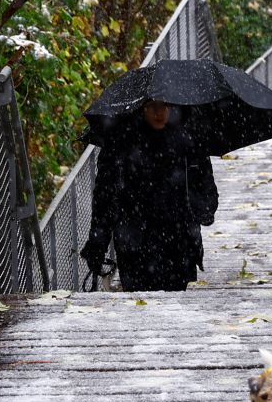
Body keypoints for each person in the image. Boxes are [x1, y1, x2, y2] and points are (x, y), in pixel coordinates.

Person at [81, 100, 218, 291]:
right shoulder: (121, 142)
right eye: (152, 106)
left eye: (165, 106)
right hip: (137, 244)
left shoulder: (187, 139)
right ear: (142, 108)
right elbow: (105, 196)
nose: (159, 112)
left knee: (174, 305)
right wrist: (97, 244)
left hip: (176, 242)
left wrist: (203, 208)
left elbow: (205, 184)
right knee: (143, 304)